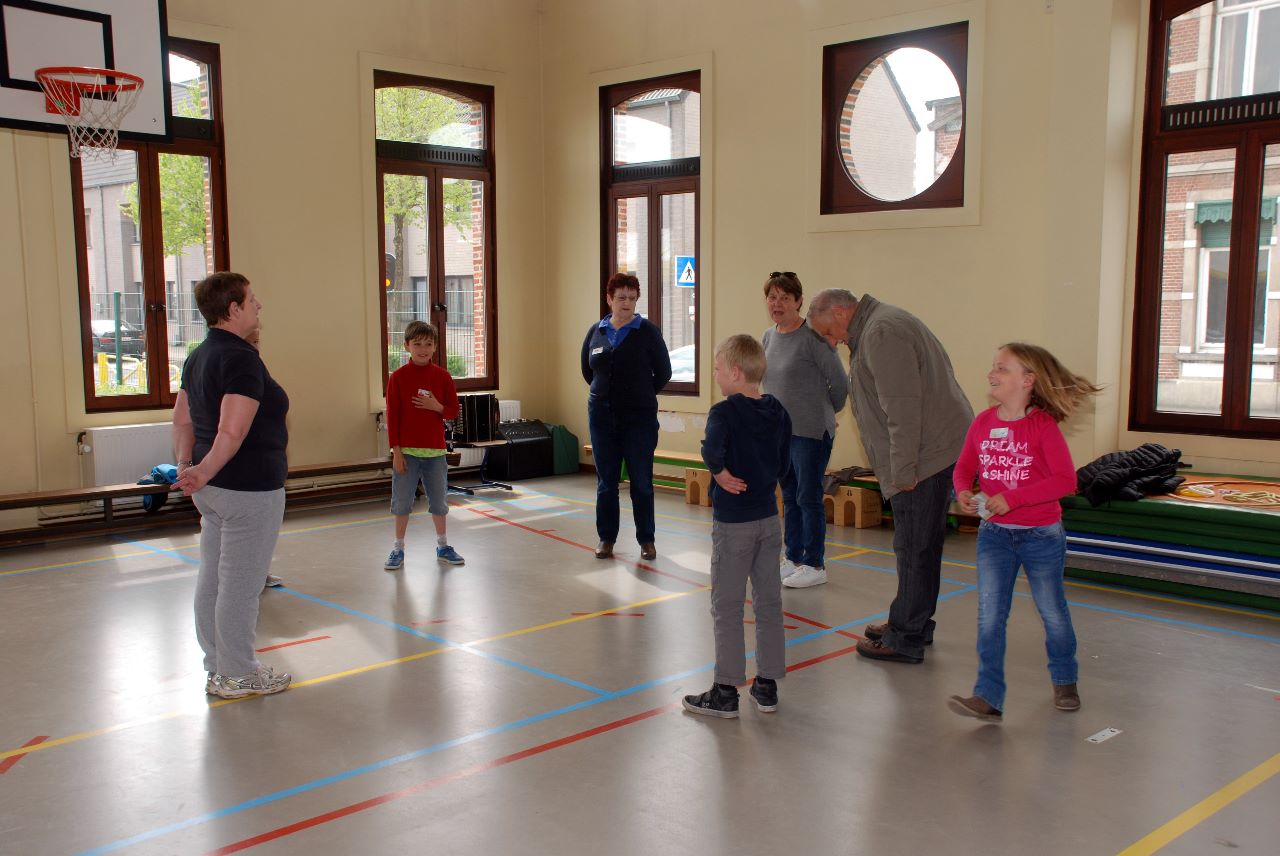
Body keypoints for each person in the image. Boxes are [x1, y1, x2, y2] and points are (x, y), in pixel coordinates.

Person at [807, 289, 973, 664]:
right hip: (931, 450)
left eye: (829, 333)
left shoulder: (881, 333)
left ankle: (905, 637)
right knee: (921, 545)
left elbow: (903, 409)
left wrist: (903, 471)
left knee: (914, 547)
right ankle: (912, 620)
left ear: (840, 312)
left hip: (923, 457)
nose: (833, 342)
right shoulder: (882, 324)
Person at [948, 343, 1100, 722]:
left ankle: (1065, 679)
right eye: (993, 366)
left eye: (1001, 368)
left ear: (1027, 380)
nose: (991, 373)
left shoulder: (1042, 426)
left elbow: (1066, 480)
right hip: (994, 536)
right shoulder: (983, 422)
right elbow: (964, 466)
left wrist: (1013, 499)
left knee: (1052, 611)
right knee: (990, 616)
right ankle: (988, 695)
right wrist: (964, 491)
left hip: (1041, 537)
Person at [173, 272, 292, 699]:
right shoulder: (240, 358)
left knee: (215, 580)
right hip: (247, 490)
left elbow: (183, 420)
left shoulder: (199, 354)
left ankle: (219, 669)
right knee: (241, 587)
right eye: (252, 299)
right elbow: (231, 431)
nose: (259, 305)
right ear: (233, 308)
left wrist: (189, 466)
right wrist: (201, 471)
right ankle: (239, 676)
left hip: (215, 491)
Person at [683, 335, 792, 718]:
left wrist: (721, 472)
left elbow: (711, 450)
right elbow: (783, 463)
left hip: (734, 525)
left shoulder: (724, 412)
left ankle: (726, 690)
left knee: (727, 605)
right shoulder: (777, 410)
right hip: (768, 519)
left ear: (734, 372)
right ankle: (767, 685)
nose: (715, 376)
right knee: (769, 602)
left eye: (716, 369)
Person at [760, 271, 848, 588]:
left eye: (785, 297)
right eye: (772, 297)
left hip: (810, 432)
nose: (778, 303)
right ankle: (794, 557)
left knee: (808, 496)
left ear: (798, 301)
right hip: (780, 434)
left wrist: (824, 412)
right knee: (790, 497)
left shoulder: (812, 338)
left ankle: (815, 563)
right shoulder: (768, 337)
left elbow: (839, 384)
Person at [581, 272, 672, 561]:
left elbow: (664, 372)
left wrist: (640, 395)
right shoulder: (597, 331)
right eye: (621, 298)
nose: (627, 303)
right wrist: (605, 394)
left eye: (632, 298)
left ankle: (647, 540)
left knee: (641, 481)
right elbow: (588, 370)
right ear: (609, 299)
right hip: (602, 418)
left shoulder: (648, 331)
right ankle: (606, 538)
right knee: (606, 482)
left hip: (639, 420)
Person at [384, 320, 464, 570]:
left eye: (428, 344)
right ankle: (398, 548)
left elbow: (453, 411)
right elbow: (392, 415)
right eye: (417, 344)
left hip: (435, 453)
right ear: (407, 345)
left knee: (439, 501)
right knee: (402, 502)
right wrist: (396, 451)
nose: (423, 349)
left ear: (435, 347)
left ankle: (443, 545)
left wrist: (436, 406)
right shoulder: (397, 378)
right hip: (407, 453)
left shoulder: (442, 377)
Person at [244, 325, 284, 590]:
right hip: (246, 469)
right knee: (246, 529)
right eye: (252, 340)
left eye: (259, 340)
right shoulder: (241, 366)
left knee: (260, 530)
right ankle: (249, 577)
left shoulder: (256, 366)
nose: (256, 346)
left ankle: (259, 570)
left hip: (263, 463)